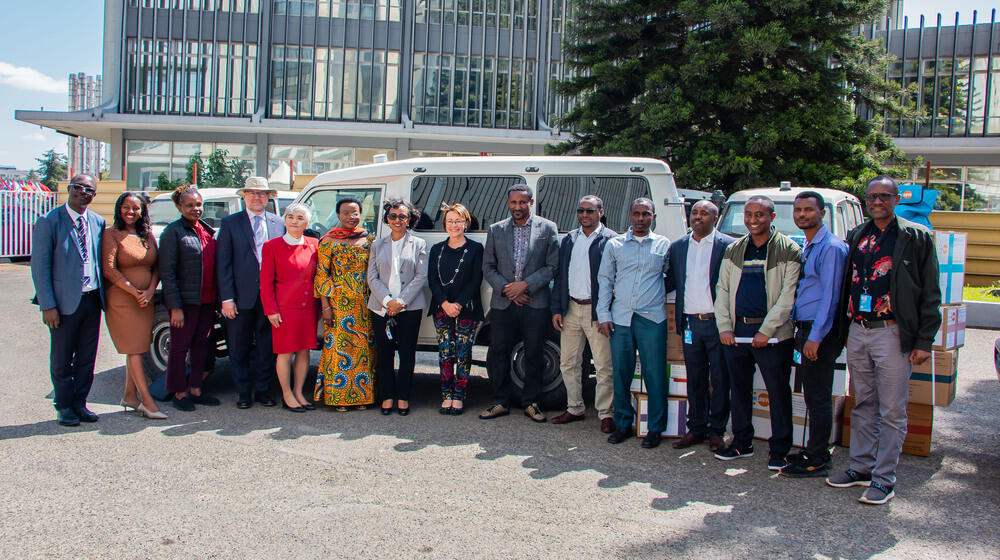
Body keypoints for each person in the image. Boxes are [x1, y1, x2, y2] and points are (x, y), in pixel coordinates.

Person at [826, 176, 941, 505]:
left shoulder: (915, 236)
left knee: (892, 411)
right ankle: (861, 468)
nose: (878, 201)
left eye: (884, 196)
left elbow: (931, 292)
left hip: (892, 332)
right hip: (859, 329)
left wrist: (923, 341)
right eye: (872, 196)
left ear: (895, 199)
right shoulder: (858, 234)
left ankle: (884, 478)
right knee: (863, 404)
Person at [714, 195, 801, 468]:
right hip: (737, 331)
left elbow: (788, 296)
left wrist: (766, 330)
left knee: (777, 392)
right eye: (749, 215)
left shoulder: (788, 249)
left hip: (773, 335)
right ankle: (742, 443)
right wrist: (725, 327)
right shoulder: (734, 249)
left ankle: (780, 450)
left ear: (772, 217)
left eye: (760, 215)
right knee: (738, 390)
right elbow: (722, 290)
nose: (753, 220)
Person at [780, 191, 848, 478]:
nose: (802, 215)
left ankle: (818, 459)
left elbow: (831, 296)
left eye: (808, 210)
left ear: (822, 213)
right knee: (812, 394)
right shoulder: (810, 245)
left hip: (820, 332)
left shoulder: (831, 247)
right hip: (807, 327)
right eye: (798, 210)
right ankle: (813, 449)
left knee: (818, 396)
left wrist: (816, 337)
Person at [480, 184, 559, 423]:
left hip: (535, 302)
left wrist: (525, 286)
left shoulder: (547, 228)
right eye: (513, 203)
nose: (518, 207)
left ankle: (531, 402)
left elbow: (552, 266)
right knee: (499, 352)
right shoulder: (496, 230)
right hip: (503, 303)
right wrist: (509, 289)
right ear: (508, 203)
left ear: (531, 203)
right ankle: (500, 401)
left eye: (522, 202)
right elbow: (488, 266)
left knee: (534, 353)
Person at [30, 174, 105, 426]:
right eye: (78, 187)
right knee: (62, 358)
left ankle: (80, 403)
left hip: (92, 300)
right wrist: (47, 304)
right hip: (63, 303)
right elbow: (40, 267)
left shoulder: (97, 222)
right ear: (70, 189)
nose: (83, 192)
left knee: (87, 357)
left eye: (89, 190)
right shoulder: (49, 221)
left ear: (94, 195)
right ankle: (63, 406)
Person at [597, 198, 671, 448]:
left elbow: (669, 277)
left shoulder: (664, 244)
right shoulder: (614, 244)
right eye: (637, 214)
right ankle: (623, 424)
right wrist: (604, 315)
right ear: (630, 215)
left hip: (652, 319)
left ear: (653, 216)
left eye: (646, 214)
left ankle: (655, 428)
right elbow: (605, 280)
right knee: (621, 373)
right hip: (620, 319)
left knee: (655, 374)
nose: (641, 218)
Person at [664, 200, 734, 451]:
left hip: (718, 323)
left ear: (715, 218)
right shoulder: (679, 246)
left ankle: (717, 430)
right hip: (690, 323)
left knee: (720, 378)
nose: (698, 217)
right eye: (695, 212)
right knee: (695, 378)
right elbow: (670, 281)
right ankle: (696, 428)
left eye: (705, 213)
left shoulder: (728, 246)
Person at [216, 176, 285, 409]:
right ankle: (243, 391)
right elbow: (223, 263)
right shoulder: (230, 223)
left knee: (267, 347)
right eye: (253, 193)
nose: (258, 197)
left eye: (262, 194)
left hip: (270, 299)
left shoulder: (278, 223)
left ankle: (263, 390)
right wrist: (227, 299)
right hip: (240, 297)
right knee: (239, 346)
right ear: (244, 196)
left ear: (268, 197)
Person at [549, 195, 617, 432]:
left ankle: (606, 413)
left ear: (601, 212)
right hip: (571, 309)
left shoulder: (611, 240)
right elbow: (560, 277)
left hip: (596, 312)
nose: (585, 215)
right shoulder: (569, 239)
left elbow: (615, 279)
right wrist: (557, 309)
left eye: (590, 211)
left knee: (603, 365)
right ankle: (574, 408)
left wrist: (605, 312)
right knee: (568, 363)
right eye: (581, 210)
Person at [101, 191, 166, 420]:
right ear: (119, 209)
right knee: (135, 350)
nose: (131, 212)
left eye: (136, 208)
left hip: (145, 300)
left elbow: (157, 266)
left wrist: (149, 291)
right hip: (122, 300)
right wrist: (133, 291)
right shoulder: (111, 235)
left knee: (138, 347)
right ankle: (147, 402)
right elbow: (109, 270)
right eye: (126, 207)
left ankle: (129, 396)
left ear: (142, 211)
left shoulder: (146, 235)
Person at [158, 185, 221, 412]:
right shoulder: (173, 233)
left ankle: (196, 388)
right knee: (179, 347)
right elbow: (168, 272)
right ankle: (178, 391)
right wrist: (175, 307)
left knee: (200, 345)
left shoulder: (207, 231)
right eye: (190, 205)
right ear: (179, 207)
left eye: (198, 204)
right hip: (185, 302)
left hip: (206, 300)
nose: (196, 209)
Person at [367, 198, 428, 416]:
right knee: (384, 354)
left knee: (407, 354)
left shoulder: (418, 244)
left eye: (402, 216)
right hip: (380, 308)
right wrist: (387, 302)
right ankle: (387, 397)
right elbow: (372, 278)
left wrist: (400, 302)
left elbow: (421, 276)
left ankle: (403, 397)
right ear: (387, 218)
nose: (397, 220)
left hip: (409, 309)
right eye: (393, 216)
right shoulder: (376, 245)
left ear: (410, 219)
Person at [314, 197, 376, 411]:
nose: (352, 217)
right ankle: (338, 398)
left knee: (363, 350)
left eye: (355, 212)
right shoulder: (328, 241)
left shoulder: (368, 240)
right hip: (337, 305)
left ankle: (362, 397)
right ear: (338, 215)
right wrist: (325, 307)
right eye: (347, 213)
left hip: (364, 304)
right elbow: (322, 275)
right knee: (337, 351)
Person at [260, 203, 320, 413]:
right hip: (284, 309)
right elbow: (265, 282)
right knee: (285, 353)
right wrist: (270, 309)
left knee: (304, 352)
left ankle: (298, 391)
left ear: (308, 222)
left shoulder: (314, 244)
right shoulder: (271, 246)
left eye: (300, 217)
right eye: (291, 217)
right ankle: (286, 393)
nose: (294, 221)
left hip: (308, 308)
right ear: (284, 220)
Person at [427, 203, 484, 416]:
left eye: (459, 221)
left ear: (466, 223)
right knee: (445, 353)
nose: (454, 225)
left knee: (463, 353)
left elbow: (475, 280)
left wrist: (458, 304)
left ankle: (459, 396)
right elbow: (432, 280)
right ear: (445, 224)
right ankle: (446, 395)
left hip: (466, 308)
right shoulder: (437, 250)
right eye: (450, 221)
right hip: (441, 308)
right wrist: (444, 304)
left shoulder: (475, 248)